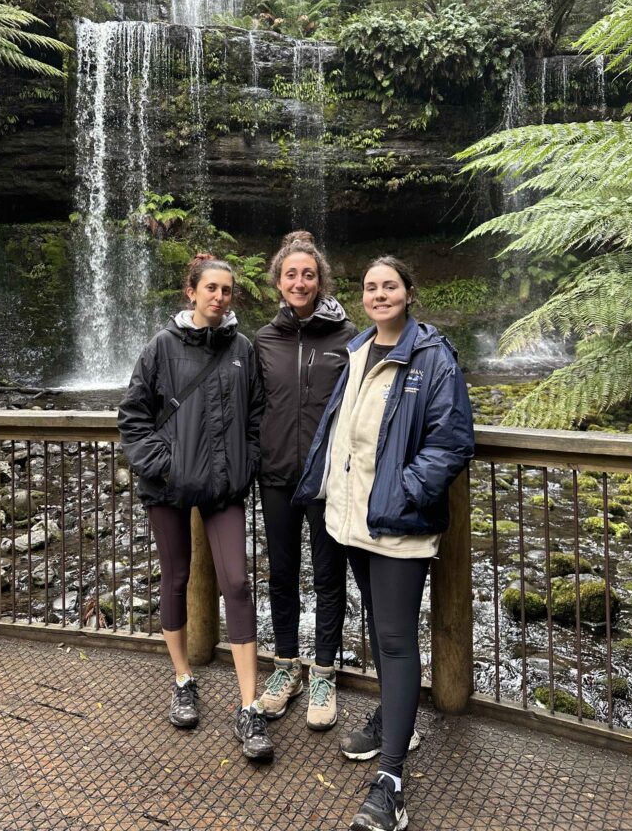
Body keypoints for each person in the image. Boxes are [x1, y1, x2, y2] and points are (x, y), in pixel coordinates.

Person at [294, 256, 474, 831]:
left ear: (409, 291)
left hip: (396, 524)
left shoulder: (431, 357)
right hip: (350, 520)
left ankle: (392, 780)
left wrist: (404, 492)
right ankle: (398, 719)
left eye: (389, 285)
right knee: (379, 628)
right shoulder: (357, 349)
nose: (379, 294)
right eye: (370, 287)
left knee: (394, 640)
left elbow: (451, 441)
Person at [117, 253, 273, 762]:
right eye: (211, 287)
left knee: (238, 581)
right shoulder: (161, 348)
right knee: (175, 577)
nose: (219, 297)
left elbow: (255, 415)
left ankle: (249, 706)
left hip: (225, 486)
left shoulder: (242, 349)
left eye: (227, 290)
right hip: (168, 484)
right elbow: (133, 416)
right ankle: (183, 678)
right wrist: (164, 464)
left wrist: (245, 463)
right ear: (192, 291)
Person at [255, 231, 356, 730]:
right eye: (291, 274)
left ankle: (324, 671)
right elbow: (251, 408)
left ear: (321, 282)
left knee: (328, 576)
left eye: (308, 274)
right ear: (278, 281)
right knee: (281, 575)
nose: (299, 282)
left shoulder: (346, 339)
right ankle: (285, 666)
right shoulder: (264, 340)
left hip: (325, 479)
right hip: (275, 476)